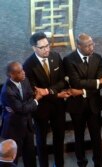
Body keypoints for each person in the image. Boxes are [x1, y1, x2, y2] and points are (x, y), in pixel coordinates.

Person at [63, 33, 102, 167]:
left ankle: (99, 163)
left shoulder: (97, 58)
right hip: (77, 106)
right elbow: (76, 82)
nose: (91, 47)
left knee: (96, 135)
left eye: (92, 44)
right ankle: (81, 162)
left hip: (94, 104)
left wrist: (83, 91)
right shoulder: (69, 60)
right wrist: (97, 82)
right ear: (79, 46)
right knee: (79, 135)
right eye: (87, 45)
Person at [23, 32, 70, 167]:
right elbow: (34, 91)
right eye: (42, 47)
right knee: (41, 140)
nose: (47, 49)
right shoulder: (28, 65)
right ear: (34, 48)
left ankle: (59, 164)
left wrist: (48, 91)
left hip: (58, 106)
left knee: (59, 137)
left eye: (47, 45)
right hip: (41, 109)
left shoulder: (55, 56)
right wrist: (54, 93)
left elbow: (63, 81)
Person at [0, 61, 44, 166]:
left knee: (30, 156)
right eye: (19, 72)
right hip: (14, 129)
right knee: (12, 158)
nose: (23, 73)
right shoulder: (7, 91)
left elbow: (28, 98)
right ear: (11, 75)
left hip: (27, 126)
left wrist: (27, 104)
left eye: (23, 70)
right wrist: (36, 100)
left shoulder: (25, 80)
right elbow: (22, 109)